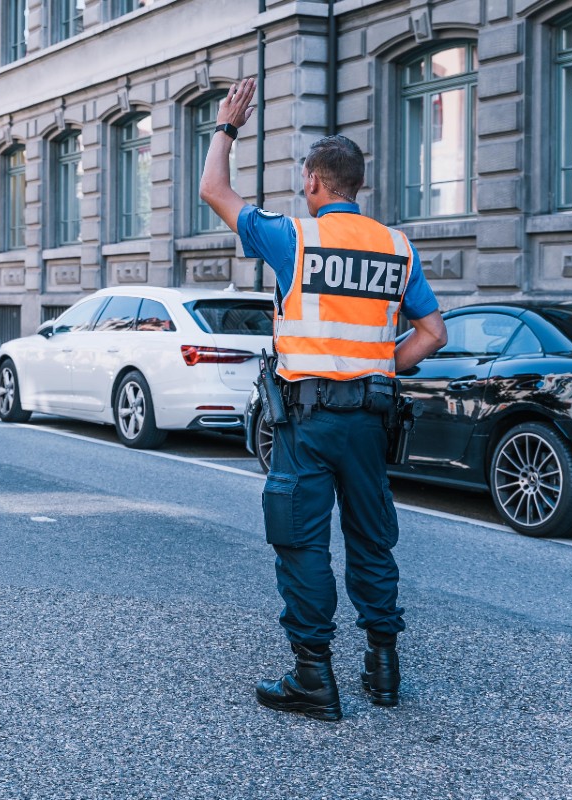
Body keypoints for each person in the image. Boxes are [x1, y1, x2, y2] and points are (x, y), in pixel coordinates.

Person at [199, 77, 447, 721]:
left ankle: (314, 677)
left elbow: (214, 191)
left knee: (302, 541)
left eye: (304, 180)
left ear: (314, 182)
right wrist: (377, 366)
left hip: (306, 421)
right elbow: (432, 332)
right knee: (372, 540)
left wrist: (227, 127)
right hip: (370, 418)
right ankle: (383, 669)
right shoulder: (397, 247)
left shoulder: (295, 238)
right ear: (356, 186)